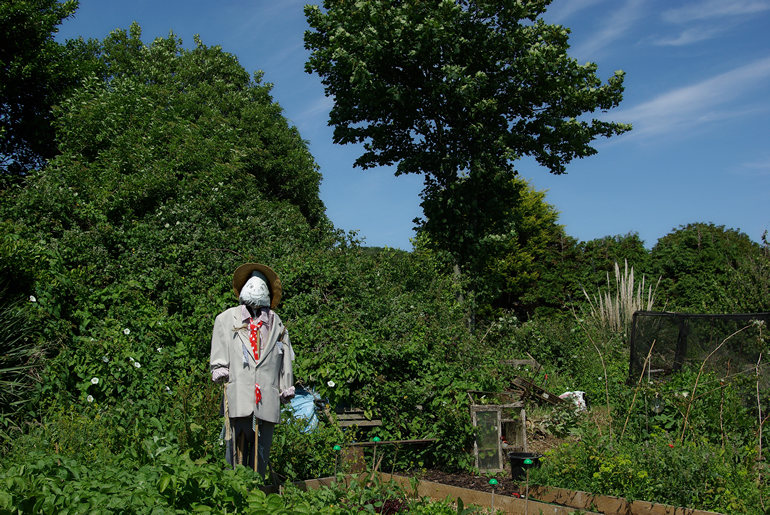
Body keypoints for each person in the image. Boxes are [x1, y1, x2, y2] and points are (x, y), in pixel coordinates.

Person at [210, 263, 295, 476]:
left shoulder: (277, 324)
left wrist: (286, 385)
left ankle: (258, 487)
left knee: (261, 455)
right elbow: (219, 347)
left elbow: (285, 357)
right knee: (233, 452)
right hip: (238, 395)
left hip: (267, 397)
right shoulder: (226, 319)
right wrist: (219, 366)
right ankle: (233, 486)